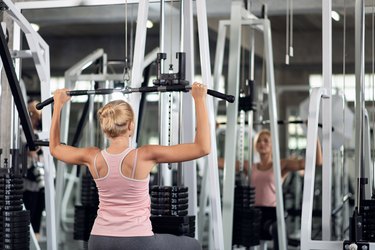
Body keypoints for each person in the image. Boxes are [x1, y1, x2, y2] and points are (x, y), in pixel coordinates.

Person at [49, 82, 209, 250]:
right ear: (131, 126)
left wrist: (58, 104)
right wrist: (199, 99)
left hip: (99, 240)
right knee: (193, 245)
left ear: (105, 129)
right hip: (137, 240)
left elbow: (55, 148)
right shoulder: (144, 155)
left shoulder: (92, 157)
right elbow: (202, 147)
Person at [23, 99, 45, 239]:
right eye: (30, 113)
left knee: (37, 217)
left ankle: (35, 240)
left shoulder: (43, 132)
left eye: (34, 113)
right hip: (27, 181)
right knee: (28, 217)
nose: (33, 116)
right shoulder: (21, 131)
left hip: (41, 180)